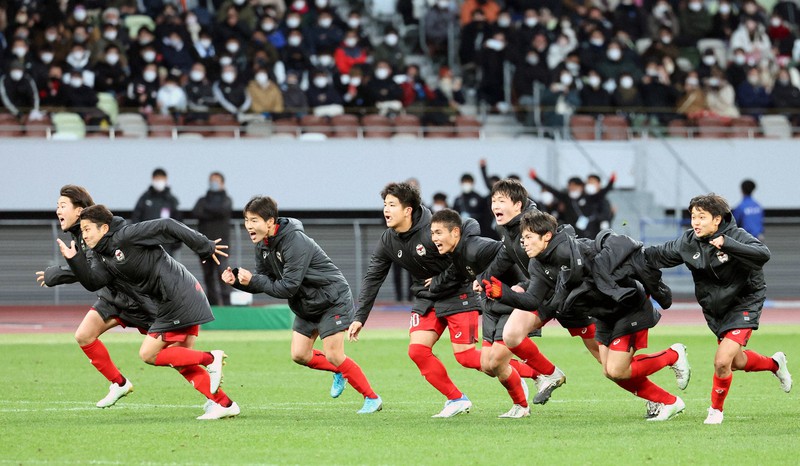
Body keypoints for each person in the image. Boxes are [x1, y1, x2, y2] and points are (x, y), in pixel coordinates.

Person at [485, 210, 690, 421]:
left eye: (528, 237)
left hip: (627, 308)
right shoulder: (538, 263)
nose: (524, 243)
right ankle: (667, 401)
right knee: (609, 370)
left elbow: (613, 248)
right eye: (523, 238)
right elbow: (532, 301)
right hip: (602, 315)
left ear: (546, 236)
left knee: (617, 370)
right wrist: (504, 294)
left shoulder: (572, 250)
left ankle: (672, 358)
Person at [59, 204, 238, 420]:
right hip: (175, 297)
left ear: (104, 228)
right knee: (181, 359)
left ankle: (210, 358)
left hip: (177, 296)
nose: (84, 235)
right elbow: (94, 281)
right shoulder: (101, 254)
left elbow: (167, 225)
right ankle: (224, 403)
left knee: (148, 354)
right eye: (83, 230)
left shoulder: (126, 235)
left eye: (88, 229)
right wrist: (75, 260)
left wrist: (203, 245)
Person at [221, 196, 382, 414]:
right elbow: (264, 280)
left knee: (334, 355)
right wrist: (238, 282)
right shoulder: (263, 245)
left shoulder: (294, 241)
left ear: (270, 221)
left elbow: (287, 287)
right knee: (299, 355)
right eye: (247, 220)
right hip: (306, 304)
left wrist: (253, 280)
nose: (248, 225)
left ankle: (372, 398)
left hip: (331, 300)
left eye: (254, 220)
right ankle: (339, 371)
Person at [645, 193, 792, 424]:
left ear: (717, 219)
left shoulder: (736, 236)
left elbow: (763, 254)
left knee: (722, 361)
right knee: (736, 362)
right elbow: (656, 255)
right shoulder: (688, 242)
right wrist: (627, 252)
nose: (696, 222)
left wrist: (728, 244)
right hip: (715, 309)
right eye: (693, 217)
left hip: (744, 302)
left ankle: (715, 410)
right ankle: (775, 364)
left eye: (702, 217)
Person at [348, 182, 483, 417]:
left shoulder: (433, 227)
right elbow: (373, 278)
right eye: (385, 204)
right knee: (417, 351)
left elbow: (470, 225)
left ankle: (531, 373)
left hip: (457, 293)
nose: (386, 210)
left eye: (392, 205)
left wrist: (450, 277)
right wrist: (360, 317)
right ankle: (456, 399)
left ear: (408, 210)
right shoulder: (388, 240)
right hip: (427, 297)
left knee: (468, 357)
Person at [36, 185, 155, 408]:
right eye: (57, 206)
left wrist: (57, 274)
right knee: (84, 335)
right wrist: (58, 274)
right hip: (112, 298)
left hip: (135, 300)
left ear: (79, 211)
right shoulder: (80, 234)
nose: (58, 210)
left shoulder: (94, 232)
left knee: (165, 354)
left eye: (62, 205)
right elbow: (88, 269)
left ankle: (213, 383)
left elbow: (93, 271)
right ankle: (119, 383)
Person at [477, 179, 584, 401]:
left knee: (612, 366)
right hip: (540, 294)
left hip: (569, 295)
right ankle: (548, 375)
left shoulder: (534, 224)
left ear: (518, 205)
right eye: (493, 201)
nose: (495, 206)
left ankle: (662, 377)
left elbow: (562, 249)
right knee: (508, 340)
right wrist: (483, 278)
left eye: (501, 201)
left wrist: (523, 286)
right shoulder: (507, 229)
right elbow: (505, 255)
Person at [428, 209, 531, 418]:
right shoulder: (458, 254)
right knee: (486, 364)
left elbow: (506, 251)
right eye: (432, 233)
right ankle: (529, 383)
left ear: (455, 232)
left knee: (497, 362)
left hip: (511, 301)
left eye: (439, 233)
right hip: (492, 305)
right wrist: (436, 284)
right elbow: (454, 274)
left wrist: (522, 284)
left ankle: (529, 393)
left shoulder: (475, 247)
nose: (434, 239)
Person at [192, 172, 233, 306]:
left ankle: (227, 304)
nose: (213, 183)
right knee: (208, 276)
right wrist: (214, 211)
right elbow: (196, 212)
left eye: (216, 180)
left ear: (222, 183)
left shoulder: (227, 200)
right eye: (211, 180)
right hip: (204, 245)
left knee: (223, 274)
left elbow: (222, 210)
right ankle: (213, 304)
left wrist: (207, 211)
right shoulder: (202, 200)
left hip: (222, 245)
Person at [131, 168, 182, 255]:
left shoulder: (171, 200)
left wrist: (177, 240)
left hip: (166, 243)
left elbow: (178, 220)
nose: (159, 182)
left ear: (166, 180)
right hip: (147, 242)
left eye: (161, 179)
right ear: (153, 179)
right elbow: (136, 217)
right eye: (157, 179)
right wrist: (138, 237)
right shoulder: (144, 198)